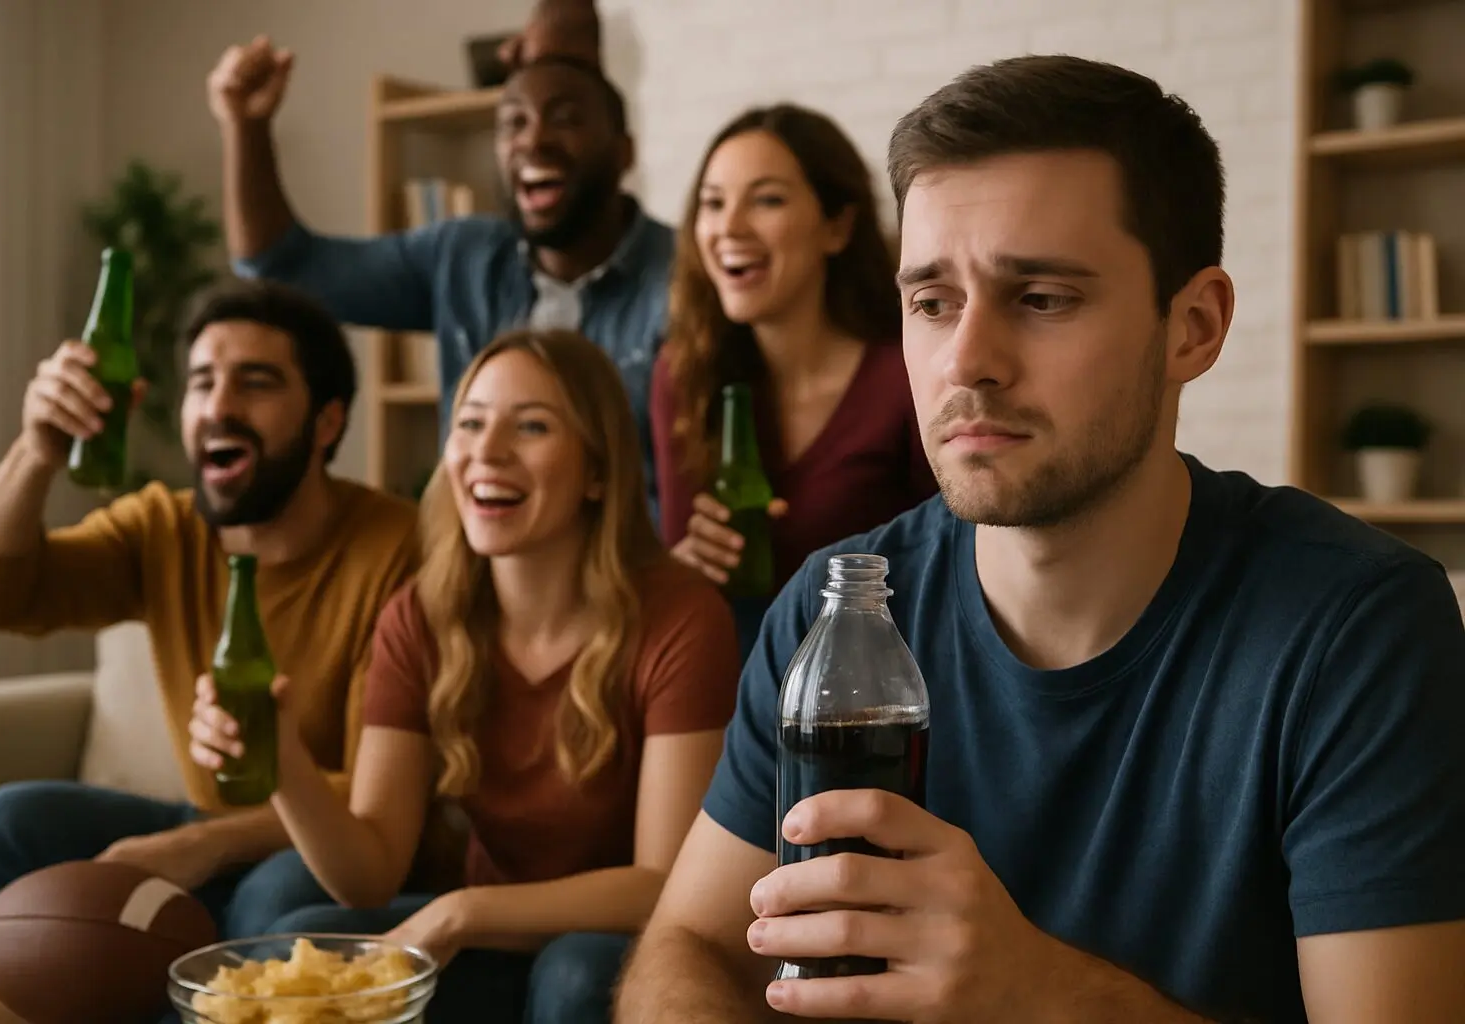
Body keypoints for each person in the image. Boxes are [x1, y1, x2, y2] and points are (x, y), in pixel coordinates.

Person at [616, 54, 1465, 1024]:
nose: (966, 361)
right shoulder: (837, 608)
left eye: (1041, 298)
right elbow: (688, 947)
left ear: (1193, 325)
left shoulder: (1356, 630)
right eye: (932, 302)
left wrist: (1041, 993)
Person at [187, 328, 741, 1024]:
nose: (487, 450)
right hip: (494, 935)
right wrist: (283, 762)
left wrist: (461, 913)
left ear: (598, 471)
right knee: (290, 940)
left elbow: (661, 882)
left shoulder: (682, 617)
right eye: (471, 423)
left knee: (575, 976)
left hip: (622, 940)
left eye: (531, 425)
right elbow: (371, 870)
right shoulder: (418, 616)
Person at [0, 279, 419, 984]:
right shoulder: (163, 526)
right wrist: (38, 450)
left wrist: (204, 847)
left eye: (256, 383)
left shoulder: (397, 550)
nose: (219, 406)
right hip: (203, 817)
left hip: (324, 844)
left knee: (277, 899)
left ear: (326, 422)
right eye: (201, 383)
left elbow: (376, 796)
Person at [209, 10, 673, 513]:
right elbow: (281, 266)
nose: (533, 140)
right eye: (513, 122)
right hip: (479, 577)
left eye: (565, 118)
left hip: (631, 581)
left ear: (624, 152)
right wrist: (246, 125)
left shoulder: (687, 277)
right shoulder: (462, 256)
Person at [651, 103, 937, 652]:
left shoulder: (903, 375)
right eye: (713, 203)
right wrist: (682, 568)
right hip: (731, 687)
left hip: (879, 688)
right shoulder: (684, 376)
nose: (729, 228)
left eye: (767, 200)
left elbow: (954, 565)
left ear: (838, 225)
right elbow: (680, 572)